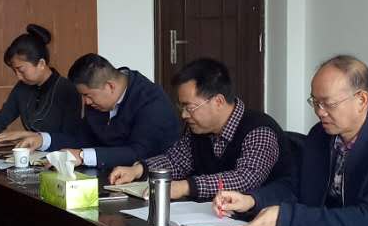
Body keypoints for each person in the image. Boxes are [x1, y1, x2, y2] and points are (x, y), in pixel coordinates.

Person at [215, 56, 368, 226]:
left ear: (361, 100)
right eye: (315, 102)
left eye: (328, 104)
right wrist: (252, 200)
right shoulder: (320, 135)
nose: (320, 112)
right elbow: (296, 187)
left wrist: (288, 218)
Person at [108, 57, 290, 201]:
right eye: (182, 107)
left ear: (218, 101)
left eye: (189, 107)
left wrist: (185, 187)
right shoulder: (199, 129)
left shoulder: (259, 130)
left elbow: (245, 178)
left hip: (260, 223)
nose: (184, 115)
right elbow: (176, 161)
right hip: (212, 216)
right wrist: (138, 170)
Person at [0, 54, 180, 173]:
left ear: (110, 86)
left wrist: (82, 156)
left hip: (153, 182)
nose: (85, 102)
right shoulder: (98, 101)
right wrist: (42, 139)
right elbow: (81, 138)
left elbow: (138, 153)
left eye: (88, 95)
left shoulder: (151, 102)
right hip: (110, 177)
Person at [0, 24, 84, 141]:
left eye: (21, 70)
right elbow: (4, 116)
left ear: (41, 64)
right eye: (14, 71)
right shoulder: (22, 87)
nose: (18, 76)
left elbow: (69, 137)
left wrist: (24, 135)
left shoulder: (67, 90)